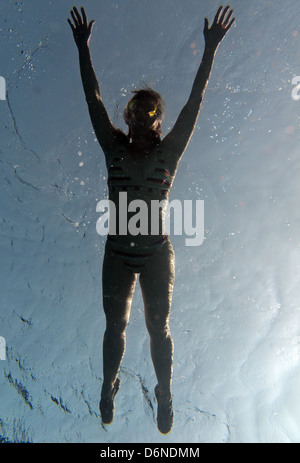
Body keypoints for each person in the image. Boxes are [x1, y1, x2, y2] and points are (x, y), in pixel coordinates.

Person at [68, 5, 235, 434]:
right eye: (135, 112)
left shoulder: (169, 152)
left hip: (158, 252)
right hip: (119, 255)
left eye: (150, 113)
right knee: (115, 326)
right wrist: (83, 50)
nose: (141, 118)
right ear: (127, 118)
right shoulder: (112, 147)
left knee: (158, 327)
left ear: (158, 122)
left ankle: (165, 390)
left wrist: (211, 49)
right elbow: (93, 99)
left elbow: (195, 101)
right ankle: (108, 387)